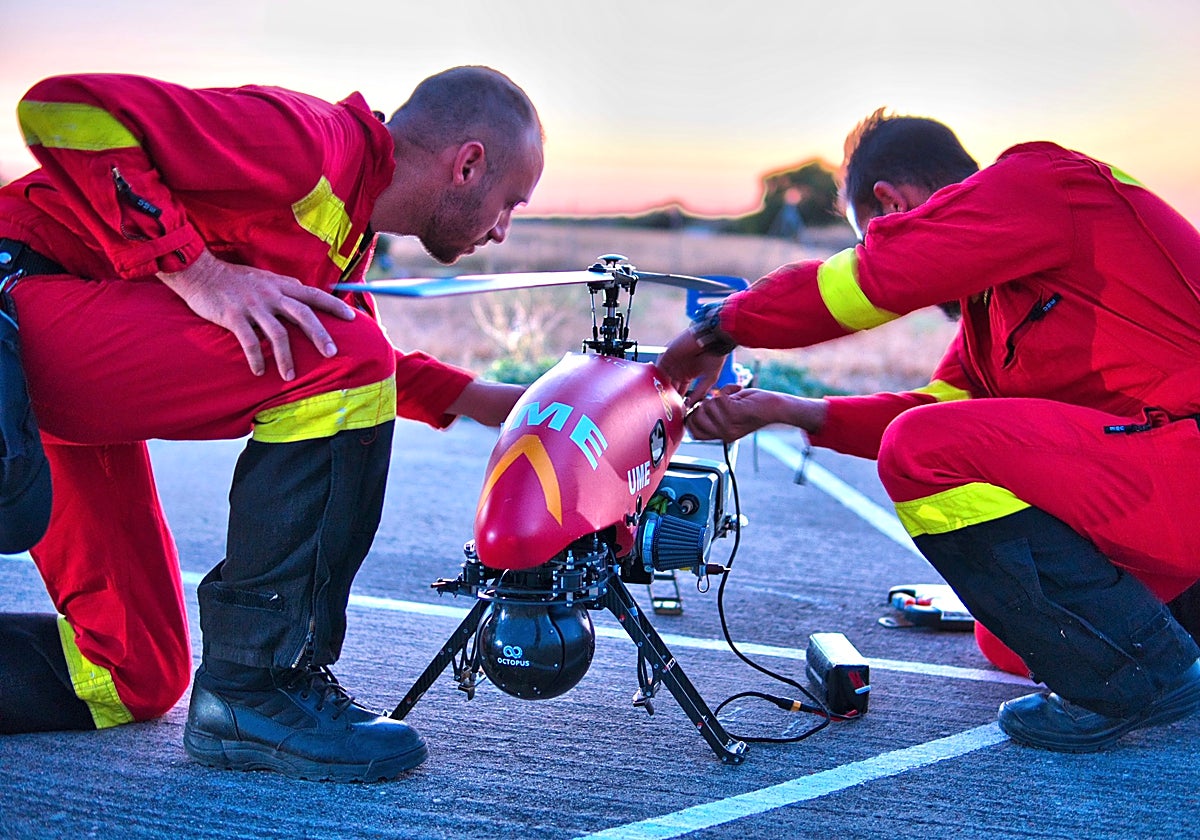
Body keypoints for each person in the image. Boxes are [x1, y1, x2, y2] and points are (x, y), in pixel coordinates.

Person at [0, 65, 543, 781]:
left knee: (130, 670)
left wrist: (511, 404)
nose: (502, 230)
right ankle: (259, 685)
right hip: (18, 313)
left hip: (58, 347)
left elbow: (342, 352)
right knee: (342, 355)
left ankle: (241, 691)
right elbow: (61, 108)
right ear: (468, 164)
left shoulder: (345, 229)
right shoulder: (306, 142)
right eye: (509, 205)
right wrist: (200, 274)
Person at [657, 109, 1200, 753]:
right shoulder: (993, 305)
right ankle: (1174, 633)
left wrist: (714, 330)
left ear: (891, 205)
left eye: (875, 233)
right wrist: (785, 409)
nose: (881, 245)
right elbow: (934, 407)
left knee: (926, 453)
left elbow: (873, 281)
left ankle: (1138, 677)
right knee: (1012, 636)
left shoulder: (1040, 183)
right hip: (1158, 483)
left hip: (1179, 462)